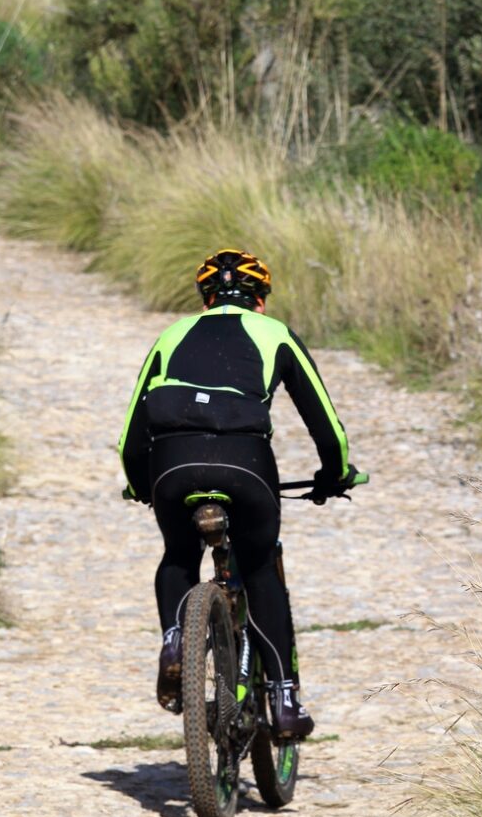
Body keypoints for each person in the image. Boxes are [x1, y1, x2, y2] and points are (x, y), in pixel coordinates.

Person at [118, 248, 361, 739]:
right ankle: (286, 699)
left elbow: (130, 434)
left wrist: (143, 486)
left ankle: (174, 640)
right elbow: (324, 421)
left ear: (206, 299)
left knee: (179, 555)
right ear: (261, 301)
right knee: (259, 566)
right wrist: (334, 474)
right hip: (244, 465)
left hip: (173, 465)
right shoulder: (275, 334)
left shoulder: (172, 334)